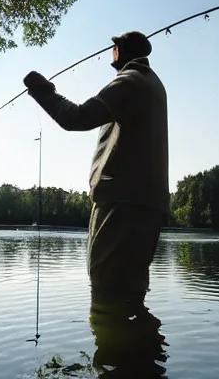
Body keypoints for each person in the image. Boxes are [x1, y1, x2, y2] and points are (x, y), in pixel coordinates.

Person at [23, 31, 169, 307]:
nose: (110, 51)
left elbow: (75, 117)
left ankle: (116, 347)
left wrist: (42, 91)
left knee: (106, 287)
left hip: (121, 203)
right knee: (130, 290)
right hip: (146, 205)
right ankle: (142, 346)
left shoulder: (129, 81)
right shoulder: (154, 84)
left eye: (114, 46)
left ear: (120, 50)